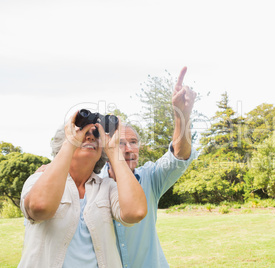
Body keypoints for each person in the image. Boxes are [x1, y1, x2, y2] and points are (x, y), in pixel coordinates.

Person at [19, 112, 147, 268]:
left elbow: (136, 212)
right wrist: (70, 143)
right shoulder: (38, 179)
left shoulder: (106, 187)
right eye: (83, 133)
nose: (90, 137)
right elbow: (40, 207)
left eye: (96, 134)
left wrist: (113, 151)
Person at [99, 66, 198, 268]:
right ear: (106, 149)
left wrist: (181, 115)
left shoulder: (150, 178)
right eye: (120, 143)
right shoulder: (94, 185)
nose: (128, 149)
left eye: (133, 142)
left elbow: (179, 155)